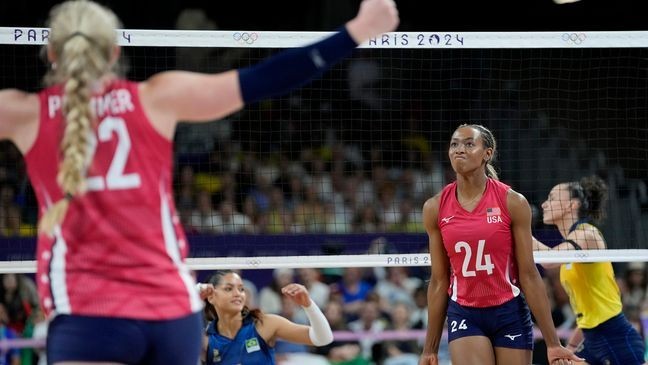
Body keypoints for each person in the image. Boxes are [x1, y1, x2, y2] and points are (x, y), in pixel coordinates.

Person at [0, 0, 399, 363]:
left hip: (88, 316)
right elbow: (266, 78)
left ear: (51, 54)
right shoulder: (157, 98)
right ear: (115, 52)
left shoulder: (24, 114)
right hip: (171, 316)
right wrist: (356, 31)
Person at [418, 124, 582, 365]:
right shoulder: (434, 207)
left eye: (469, 144)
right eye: (454, 144)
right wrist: (429, 349)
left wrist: (553, 343)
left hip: (509, 311)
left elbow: (528, 274)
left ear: (487, 153)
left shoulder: (513, 202)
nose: (459, 150)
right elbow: (440, 280)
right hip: (465, 311)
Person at [533, 175, 646, 364]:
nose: (544, 204)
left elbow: (548, 261)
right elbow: (588, 313)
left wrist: (518, 227)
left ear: (572, 205)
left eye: (552, 198)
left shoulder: (588, 234)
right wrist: (569, 348)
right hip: (593, 339)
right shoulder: (570, 248)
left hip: (615, 336)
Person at [197, 270, 333, 364]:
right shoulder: (205, 337)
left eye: (241, 289)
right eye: (228, 289)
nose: (238, 294)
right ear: (211, 297)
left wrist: (308, 304)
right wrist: (193, 301)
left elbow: (323, 338)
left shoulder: (264, 324)